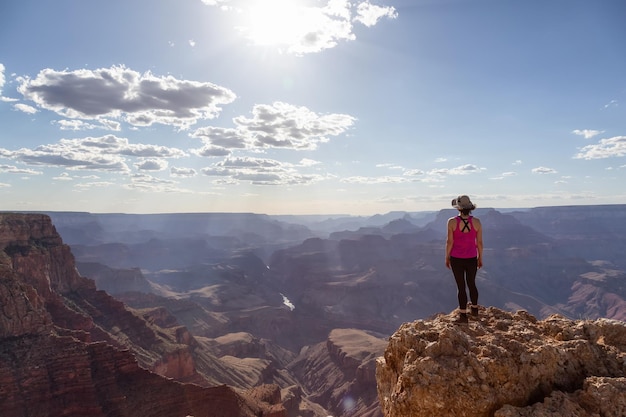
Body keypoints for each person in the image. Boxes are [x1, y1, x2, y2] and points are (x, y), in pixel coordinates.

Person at [445, 195, 483, 324]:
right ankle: (475, 310)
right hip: (472, 257)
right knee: (471, 283)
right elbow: (480, 243)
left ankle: (463, 317)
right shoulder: (477, 222)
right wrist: (480, 258)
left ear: (458, 208)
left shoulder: (451, 221)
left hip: (456, 258)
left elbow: (449, 242)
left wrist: (447, 257)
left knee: (461, 287)